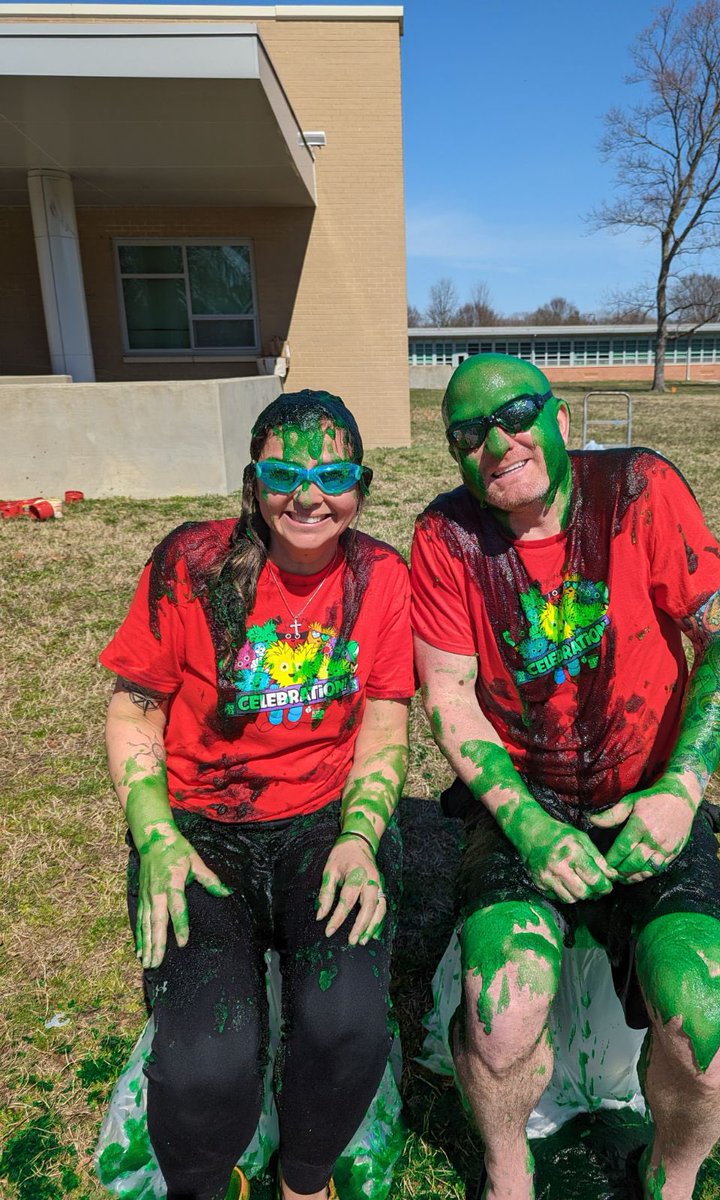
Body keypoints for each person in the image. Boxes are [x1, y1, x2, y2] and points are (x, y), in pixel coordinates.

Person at [410, 354, 720, 1200]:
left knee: (708, 1028)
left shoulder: (639, 489)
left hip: (649, 797)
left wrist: (682, 790)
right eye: (468, 431)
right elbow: (448, 693)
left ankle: (671, 1177)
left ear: (562, 420)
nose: (496, 441)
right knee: (500, 1015)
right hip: (521, 802)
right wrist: (526, 824)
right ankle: (505, 1167)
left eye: (515, 413)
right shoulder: (447, 536)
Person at [100, 389, 413, 1200]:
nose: (308, 497)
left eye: (333, 474)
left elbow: (383, 722)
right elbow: (135, 707)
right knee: (207, 1059)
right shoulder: (191, 564)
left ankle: (304, 1177)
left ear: (362, 485)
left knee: (347, 1023)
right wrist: (155, 833)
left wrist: (361, 833)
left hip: (322, 824)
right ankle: (203, 1183)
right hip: (202, 829)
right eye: (284, 473)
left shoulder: (380, 577)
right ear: (253, 481)